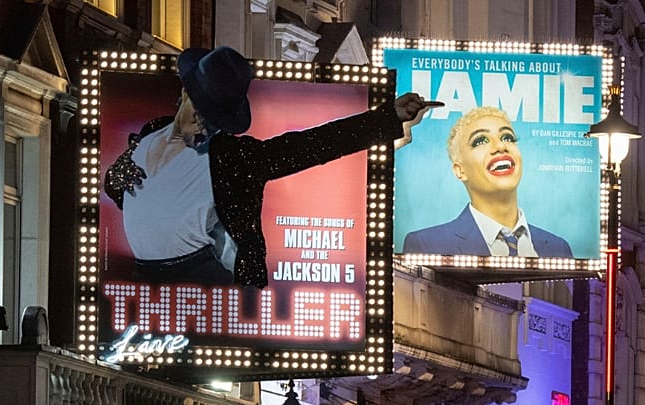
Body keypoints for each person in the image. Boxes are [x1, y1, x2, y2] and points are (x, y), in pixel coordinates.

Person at [104, 45, 433, 289]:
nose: (205, 125)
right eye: (201, 110)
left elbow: (310, 146)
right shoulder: (149, 132)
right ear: (184, 93)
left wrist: (387, 117)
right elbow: (132, 192)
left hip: (199, 280)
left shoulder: (233, 157)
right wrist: (113, 180)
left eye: (215, 119)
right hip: (141, 279)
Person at [401, 105, 574, 258]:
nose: (500, 146)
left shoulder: (559, 248)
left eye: (507, 138)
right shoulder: (426, 244)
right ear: (460, 171)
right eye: (480, 141)